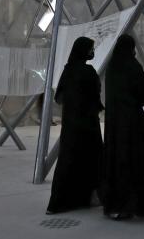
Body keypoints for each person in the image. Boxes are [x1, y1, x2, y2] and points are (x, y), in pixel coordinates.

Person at [47, 37, 104, 214]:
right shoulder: (88, 72)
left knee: (68, 162)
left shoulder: (68, 70)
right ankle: (88, 197)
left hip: (71, 125)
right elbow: (95, 97)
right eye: (91, 48)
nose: (92, 52)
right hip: (88, 125)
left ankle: (59, 202)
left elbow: (59, 97)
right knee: (92, 161)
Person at [101, 35, 144, 219]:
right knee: (135, 162)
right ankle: (135, 204)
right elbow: (142, 96)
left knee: (116, 161)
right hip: (132, 124)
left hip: (114, 124)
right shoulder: (133, 66)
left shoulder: (112, 68)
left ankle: (115, 205)